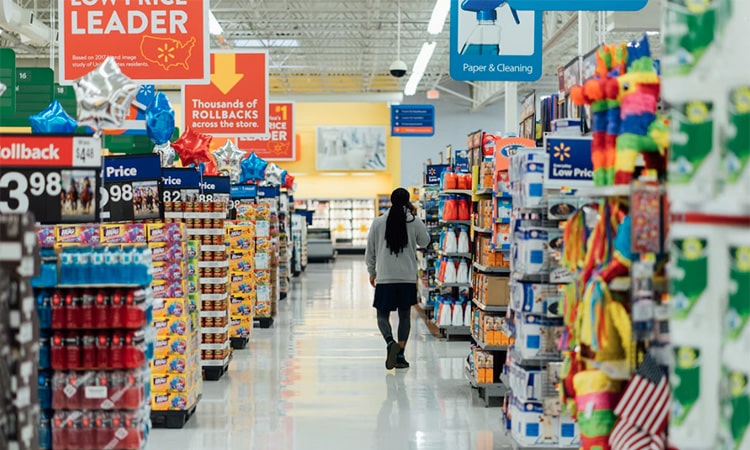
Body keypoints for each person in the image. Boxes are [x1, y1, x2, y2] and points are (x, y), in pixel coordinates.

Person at [366, 187, 431, 370]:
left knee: (382, 315)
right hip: (407, 277)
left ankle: (389, 343)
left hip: (385, 276)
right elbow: (425, 241)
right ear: (407, 201)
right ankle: (400, 355)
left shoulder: (378, 222)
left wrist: (372, 272)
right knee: (404, 316)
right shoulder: (414, 221)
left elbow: (369, 251)